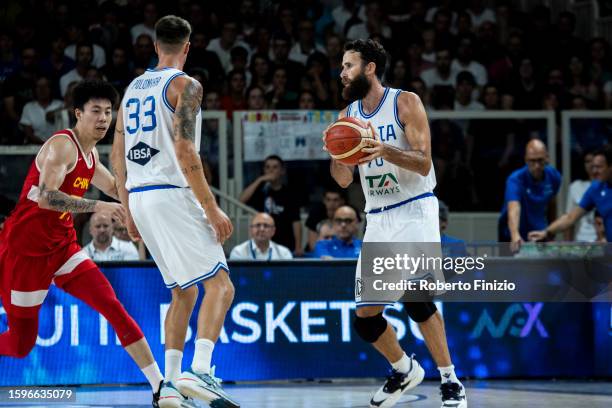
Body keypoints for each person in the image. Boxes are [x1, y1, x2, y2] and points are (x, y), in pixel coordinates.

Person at [0, 79, 163, 406]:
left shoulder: (91, 154)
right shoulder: (62, 146)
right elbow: (46, 198)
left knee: (112, 305)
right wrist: (97, 205)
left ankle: (161, 387)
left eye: (108, 112)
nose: (104, 119)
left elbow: (118, 189)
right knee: (20, 344)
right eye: (96, 111)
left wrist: (156, 206)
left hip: (62, 247)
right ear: (78, 113)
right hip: (25, 252)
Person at [326, 39, 466, 408]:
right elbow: (342, 181)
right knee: (365, 318)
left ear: (370, 68)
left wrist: (383, 148)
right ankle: (404, 369)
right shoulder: (347, 116)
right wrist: (338, 152)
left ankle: (451, 380)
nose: (342, 73)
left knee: (417, 298)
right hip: (378, 217)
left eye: (349, 65)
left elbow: (423, 163)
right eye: (342, 66)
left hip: (415, 207)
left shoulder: (405, 102)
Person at [111, 15, 239, 408]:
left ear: (154, 45)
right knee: (220, 285)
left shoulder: (133, 88)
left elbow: (117, 155)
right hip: (171, 192)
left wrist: (128, 208)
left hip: (141, 196)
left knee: (182, 292)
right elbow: (185, 151)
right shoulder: (187, 85)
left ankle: (168, 385)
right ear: (188, 46)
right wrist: (212, 206)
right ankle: (200, 370)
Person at [529, 146, 612, 243]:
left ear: (610, 167)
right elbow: (570, 218)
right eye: (593, 167)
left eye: (599, 167)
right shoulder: (596, 188)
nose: (594, 171)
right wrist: (547, 232)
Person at [498, 140, 561, 252]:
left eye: (540, 160)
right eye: (532, 161)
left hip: (538, 233)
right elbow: (514, 207)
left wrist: (551, 232)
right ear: (526, 159)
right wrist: (515, 234)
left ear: (547, 158)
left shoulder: (554, 176)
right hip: (511, 236)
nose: (536, 165)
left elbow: (552, 204)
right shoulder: (515, 179)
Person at [239, 155, 303, 256]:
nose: (271, 171)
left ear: (282, 171)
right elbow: (241, 200)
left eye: (275, 167)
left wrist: (298, 246)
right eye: (267, 167)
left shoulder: (290, 193)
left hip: (285, 244)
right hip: (263, 244)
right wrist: (260, 180)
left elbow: (296, 221)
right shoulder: (261, 191)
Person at [565, 151, 598, 241]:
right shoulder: (575, 186)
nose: (591, 164)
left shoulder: (607, 186)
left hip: (605, 242)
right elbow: (569, 219)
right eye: (587, 161)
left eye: (593, 161)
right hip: (582, 240)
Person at [305, 187, 346, 251]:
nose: (332, 204)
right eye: (328, 200)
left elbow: (365, 259)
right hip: (319, 255)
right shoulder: (316, 213)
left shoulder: (360, 245)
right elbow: (313, 246)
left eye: (335, 200)